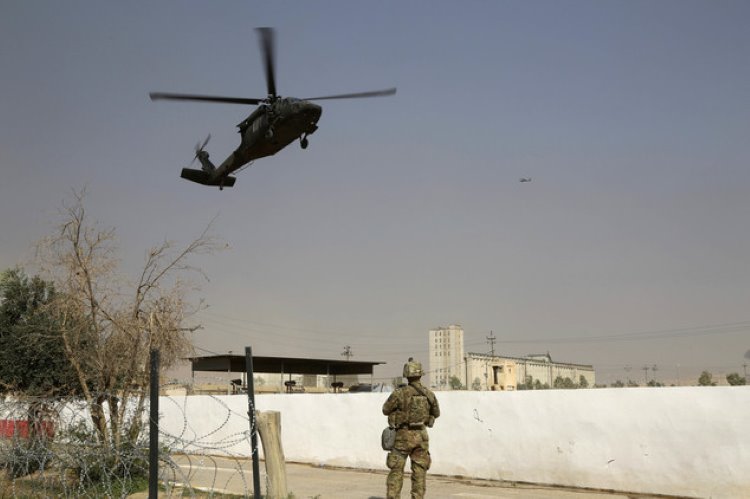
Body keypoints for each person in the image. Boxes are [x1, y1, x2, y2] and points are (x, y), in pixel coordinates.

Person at [382, 357, 440, 499]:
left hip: (402, 437)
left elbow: (385, 409)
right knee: (419, 473)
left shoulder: (399, 393)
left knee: (396, 472)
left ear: (406, 375)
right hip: (421, 437)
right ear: (420, 374)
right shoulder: (429, 394)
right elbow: (436, 413)